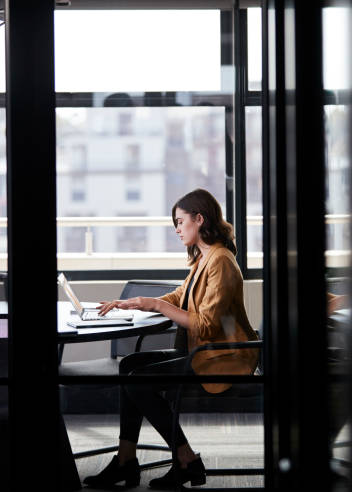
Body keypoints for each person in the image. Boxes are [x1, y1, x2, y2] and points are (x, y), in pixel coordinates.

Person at [83, 188, 259, 490]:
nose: (177, 230)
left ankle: (186, 459)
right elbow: (181, 296)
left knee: (139, 380)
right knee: (130, 365)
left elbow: (204, 324)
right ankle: (126, 459)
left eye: (180, 222)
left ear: (199, 219)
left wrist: (157, 305)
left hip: (224, 358)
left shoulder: (221, 262)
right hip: (204, 353)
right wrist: (137, 302)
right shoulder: (205, 258)